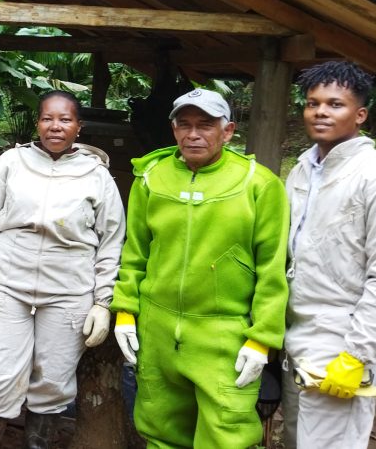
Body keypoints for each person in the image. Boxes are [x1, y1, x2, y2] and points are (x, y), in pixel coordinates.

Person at [110, 88, 289, 448]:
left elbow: (273, 269)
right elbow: (135, 252)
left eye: (205, 125)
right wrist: (126, 311)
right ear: (173, 130)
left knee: (227, 436)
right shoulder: (152, 178)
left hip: (223, 334)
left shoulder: (259, 184)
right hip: (158, 330)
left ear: (228, 131)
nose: (193, 134)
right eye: (184, 125)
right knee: (159, 431)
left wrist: (262, 338)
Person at [0, 91, 126, 449]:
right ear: (38, 123)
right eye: (48, 118)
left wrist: (102, 301)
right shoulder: (11, 163)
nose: (56, 126)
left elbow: (111, 242)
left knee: (52, 382)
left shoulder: (98, 176)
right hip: (8, 284)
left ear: (78, 127)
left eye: (65, 119)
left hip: (69, 291)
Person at [281, 62, 376, 449]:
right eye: (312, 103)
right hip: (295, 334)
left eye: (335, 104)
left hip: (344, 334)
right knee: (294, 438)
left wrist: (357, 353)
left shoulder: (369, 173)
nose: (320, 112)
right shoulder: (302, 170)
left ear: (360, 114)